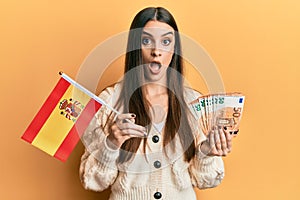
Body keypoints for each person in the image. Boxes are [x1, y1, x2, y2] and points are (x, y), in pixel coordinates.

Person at [80, 7, 233, 200]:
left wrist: (206, 152)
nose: (156, 52)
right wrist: (111, 143)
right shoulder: (110, 101)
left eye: (166, 42)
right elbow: (93, 180)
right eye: (146, 41)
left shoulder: (192, 102)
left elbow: (205, 180)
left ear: (174, 49)